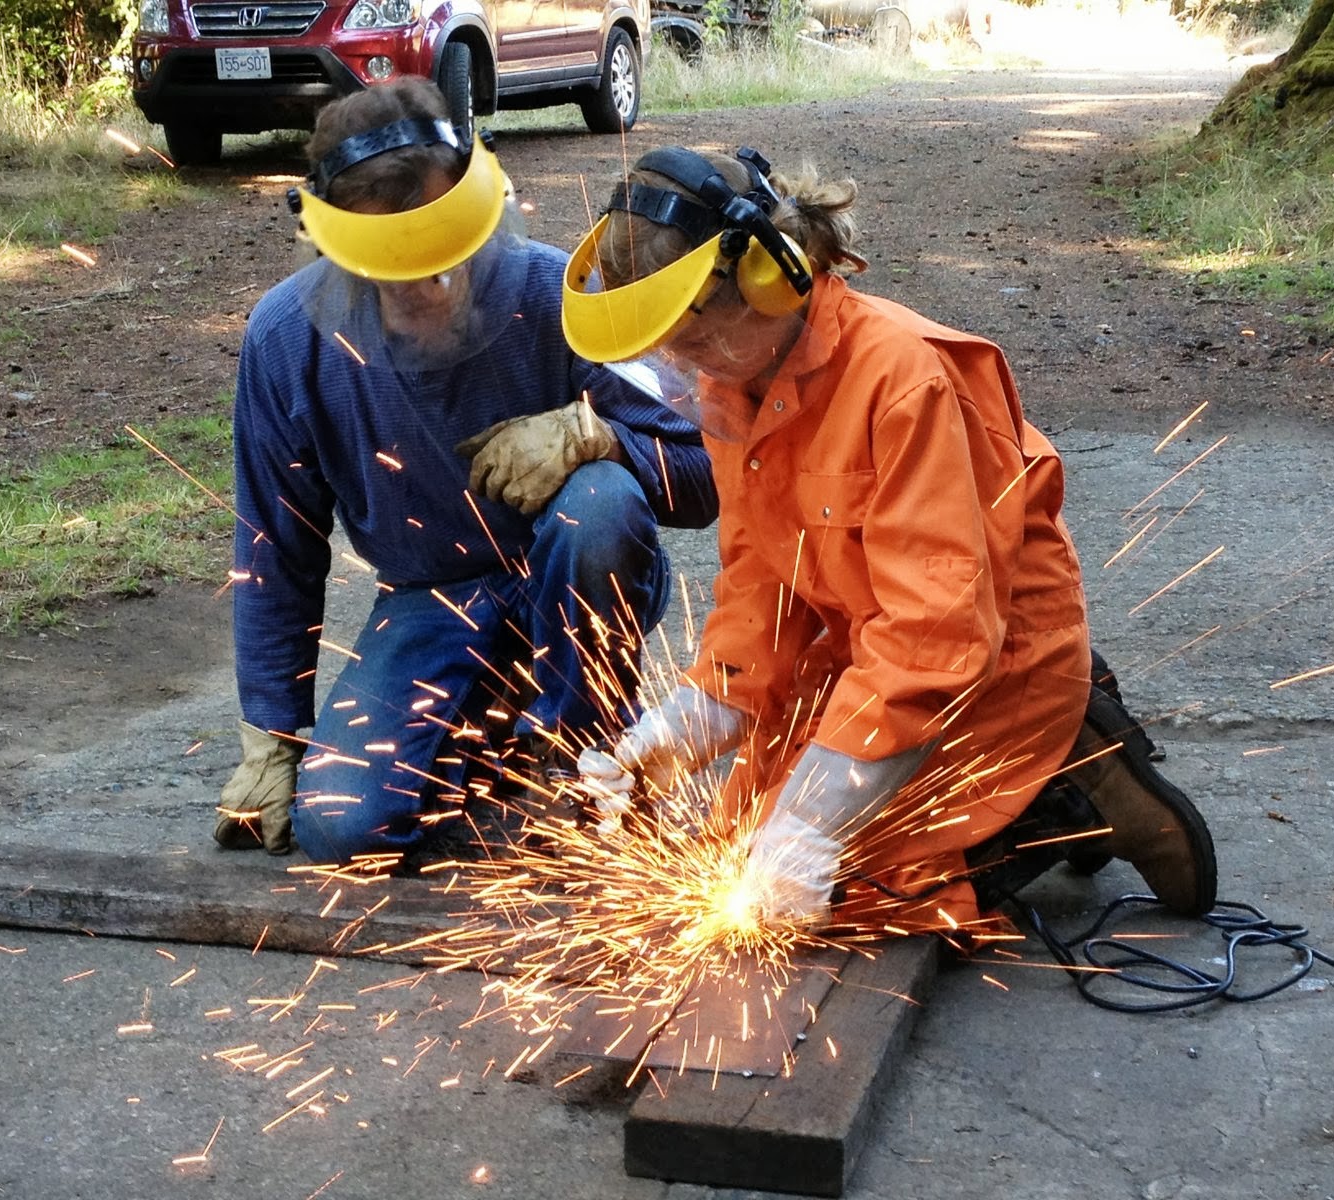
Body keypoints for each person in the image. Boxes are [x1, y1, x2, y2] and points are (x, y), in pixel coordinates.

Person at [564, 145, 1216, 935]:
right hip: (868, 647)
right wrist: (673, 734)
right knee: (738, 859)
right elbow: (760, 589)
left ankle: (1071, 786)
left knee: (850, 891)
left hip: (990, 652)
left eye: (690, 339)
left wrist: (813, 829)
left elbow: (933, 636)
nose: (678, 365)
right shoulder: (737, 382)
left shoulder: (905, 382)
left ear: (769, 281)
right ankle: (1036, 769)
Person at [212, 81, 717, 869]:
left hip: (572, 577)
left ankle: (581, 754)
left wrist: (605, 441)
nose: (436, 287)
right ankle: (498, 739)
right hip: (432, 600)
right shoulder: (289, 340)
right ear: (338, 252)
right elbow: (276, 547)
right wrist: (272, 734)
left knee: (600, 506)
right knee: (343, 827)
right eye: (401, 269)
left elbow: (707, 471)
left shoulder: (555, 294)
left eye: (449, 257)